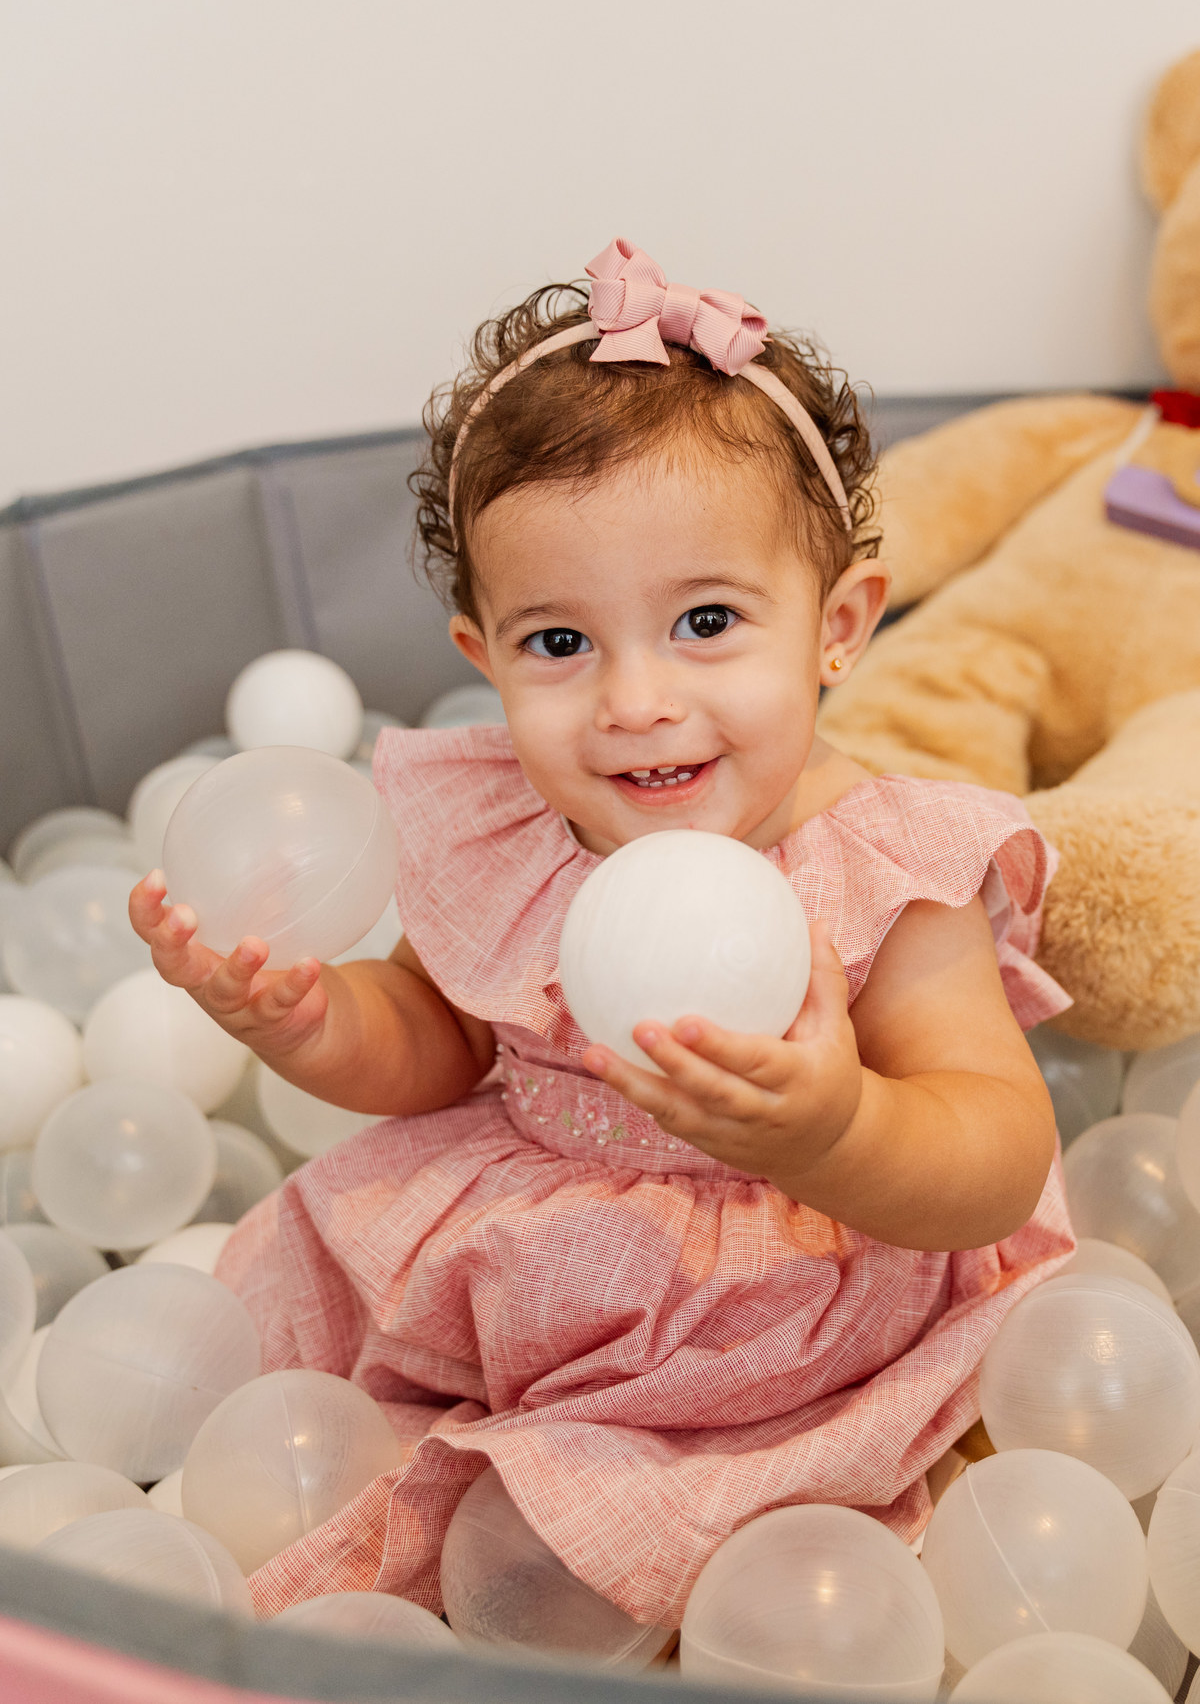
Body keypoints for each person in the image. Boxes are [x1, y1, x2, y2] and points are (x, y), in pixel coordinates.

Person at [130, 238, 1072, 1628]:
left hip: (789, 1291)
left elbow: (996, 1150)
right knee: (323, 1406)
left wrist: (835, 1129)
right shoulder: (511, 828)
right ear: (482, 655)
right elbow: (442, 1042)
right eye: (559, 645)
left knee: (610, 1520)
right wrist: (310, 1019)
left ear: (839, 625)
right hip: (537, 1242)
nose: (634, 699)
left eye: (705, 621)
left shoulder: (884, 867)